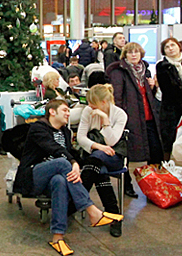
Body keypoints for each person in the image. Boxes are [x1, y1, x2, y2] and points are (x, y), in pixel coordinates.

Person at [13, 99, 123, 255]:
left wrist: (84, 160)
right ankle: (91, 210)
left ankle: (58, 237)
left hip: (53, 178)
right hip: (33, 175)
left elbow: (71, 152)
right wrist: (72, 163)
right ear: (52, 112)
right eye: (64, 110)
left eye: (68, 111)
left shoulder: (65, 131)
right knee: (62, 163)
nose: (68, 113)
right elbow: (53, 148)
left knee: (60, 181)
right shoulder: (38, 128)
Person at [106, 42, 164, 197]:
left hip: (148, 115)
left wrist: (154, 86)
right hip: (130, 117)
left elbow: (148, 94)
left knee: (155, 150)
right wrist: (118, 118)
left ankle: (155, 184)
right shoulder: (119, 71)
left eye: (136, 52)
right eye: (130, 52)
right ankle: (127, 185)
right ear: (125, 54)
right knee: (128, 154)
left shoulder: (145, 71)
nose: (133, 55)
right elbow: (116, 96)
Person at [76, 84, 126, 237]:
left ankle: (74, 201)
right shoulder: (87, 111)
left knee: (94, 163)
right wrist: (99, 147)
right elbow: (80, 137)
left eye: (93, 103)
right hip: (95, 153)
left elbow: (111, 141)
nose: (90, 106)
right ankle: (113, 214)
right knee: (97, 168)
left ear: (103, 103)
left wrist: (105, 120)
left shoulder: (120, 114)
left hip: (114, 154)